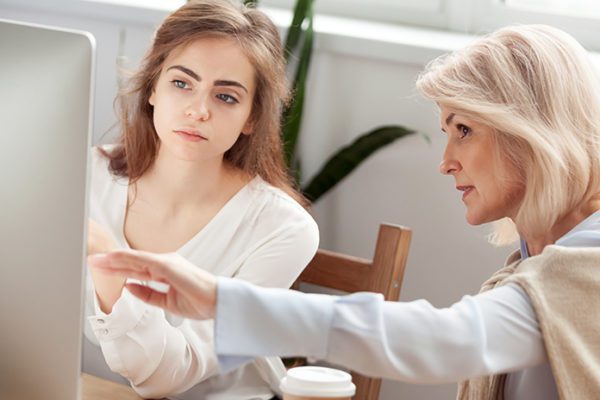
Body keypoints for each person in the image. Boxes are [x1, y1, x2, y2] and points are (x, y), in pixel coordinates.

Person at [89, 24, 600, 399]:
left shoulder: (585, 266)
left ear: (532, 132)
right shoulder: (536, 262)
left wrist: (222, 301)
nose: (445, 163)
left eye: (463, 129)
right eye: (446, 132)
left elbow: (451, 340)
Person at [84, 1, 319, 399]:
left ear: (251, 118)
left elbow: (168, 378)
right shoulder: (87, 175)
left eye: (226, 97)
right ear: (153, 88)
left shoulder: (284, 231)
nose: (198, 110)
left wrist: (108, 262)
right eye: (181, 83)